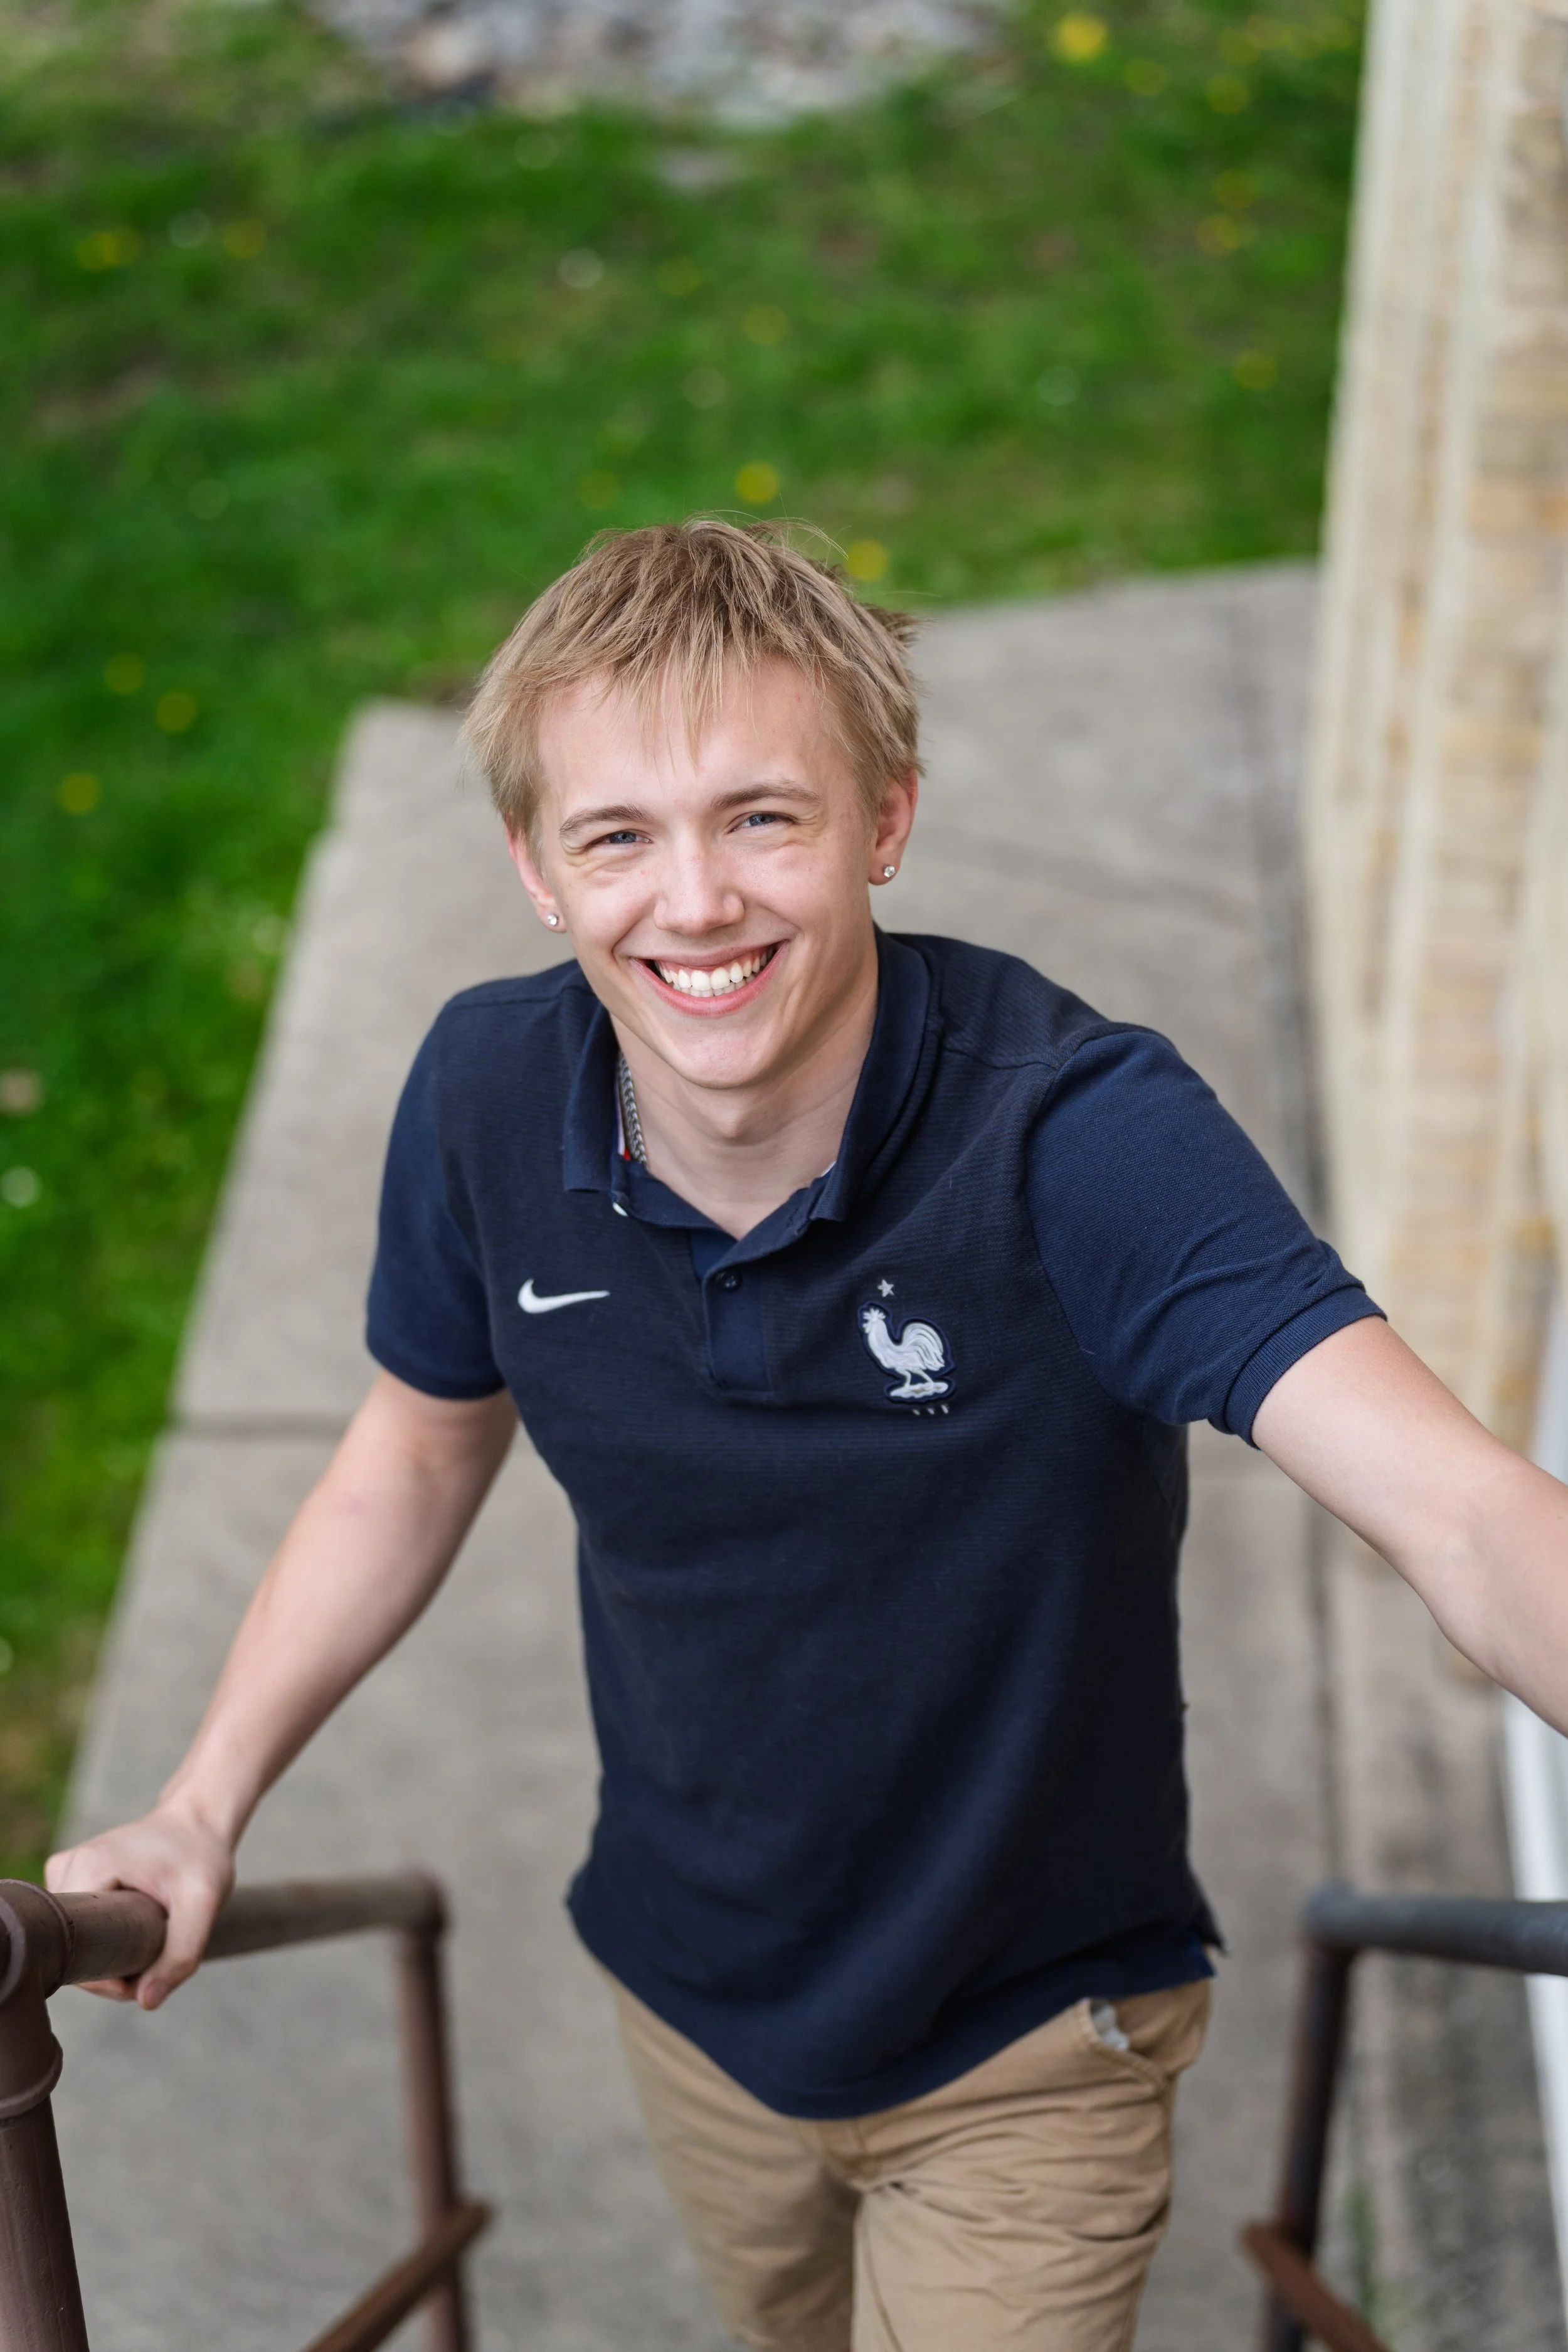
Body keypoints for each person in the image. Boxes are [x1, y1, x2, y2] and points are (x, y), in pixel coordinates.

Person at [48, 520, 1568, 2352]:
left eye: (761, 815)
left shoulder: (1080, 1137)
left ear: (884, 823)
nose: (692, 902)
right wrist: (203, 1802)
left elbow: (1466, 1516)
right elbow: (414, 1448)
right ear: (535, 868)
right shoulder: (480, 1089)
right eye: (618, 834)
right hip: (694, 1998)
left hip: (1029, 2041)